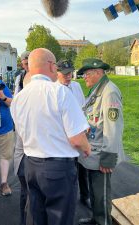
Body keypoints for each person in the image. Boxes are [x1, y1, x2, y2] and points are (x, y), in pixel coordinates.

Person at [11, 48, 91, 225]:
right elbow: (77, 138)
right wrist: (87, 148)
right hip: (58, 167)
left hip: (30, 164)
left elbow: (21, 131)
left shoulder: (19, 97)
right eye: (55, 64)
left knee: (35, 215)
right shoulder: (60, 92)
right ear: (50, 65)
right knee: (59, 218)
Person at [77, 58, 125, 225]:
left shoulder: (109, 92)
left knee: (101, 194)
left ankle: (103, 222)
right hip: (93, 152)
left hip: (102, 154)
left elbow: (114, 127)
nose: (84, 77)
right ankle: (96, 219)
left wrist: (108, 157)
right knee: (95, 193)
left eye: (87, 74)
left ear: (98, 73)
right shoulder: (97, 90)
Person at [56, 59, 91, 209]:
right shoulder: (54, 89)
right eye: (65, 73)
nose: (69, 75)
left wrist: (86, 124)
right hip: (63, 136)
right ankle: (66, 199)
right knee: (67, 171)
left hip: (79, 132)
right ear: (57, 73)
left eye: (70, 72)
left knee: (82, 168)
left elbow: (83, 108)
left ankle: (85, 196)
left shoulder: (76, 86)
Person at [13, 50, 30, 225]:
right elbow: (16, 98)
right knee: (26, 189)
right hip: (23, 132)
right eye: (24, 61)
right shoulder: (20, 78)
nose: (25, 63)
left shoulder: (38, 78)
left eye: (28, 60)